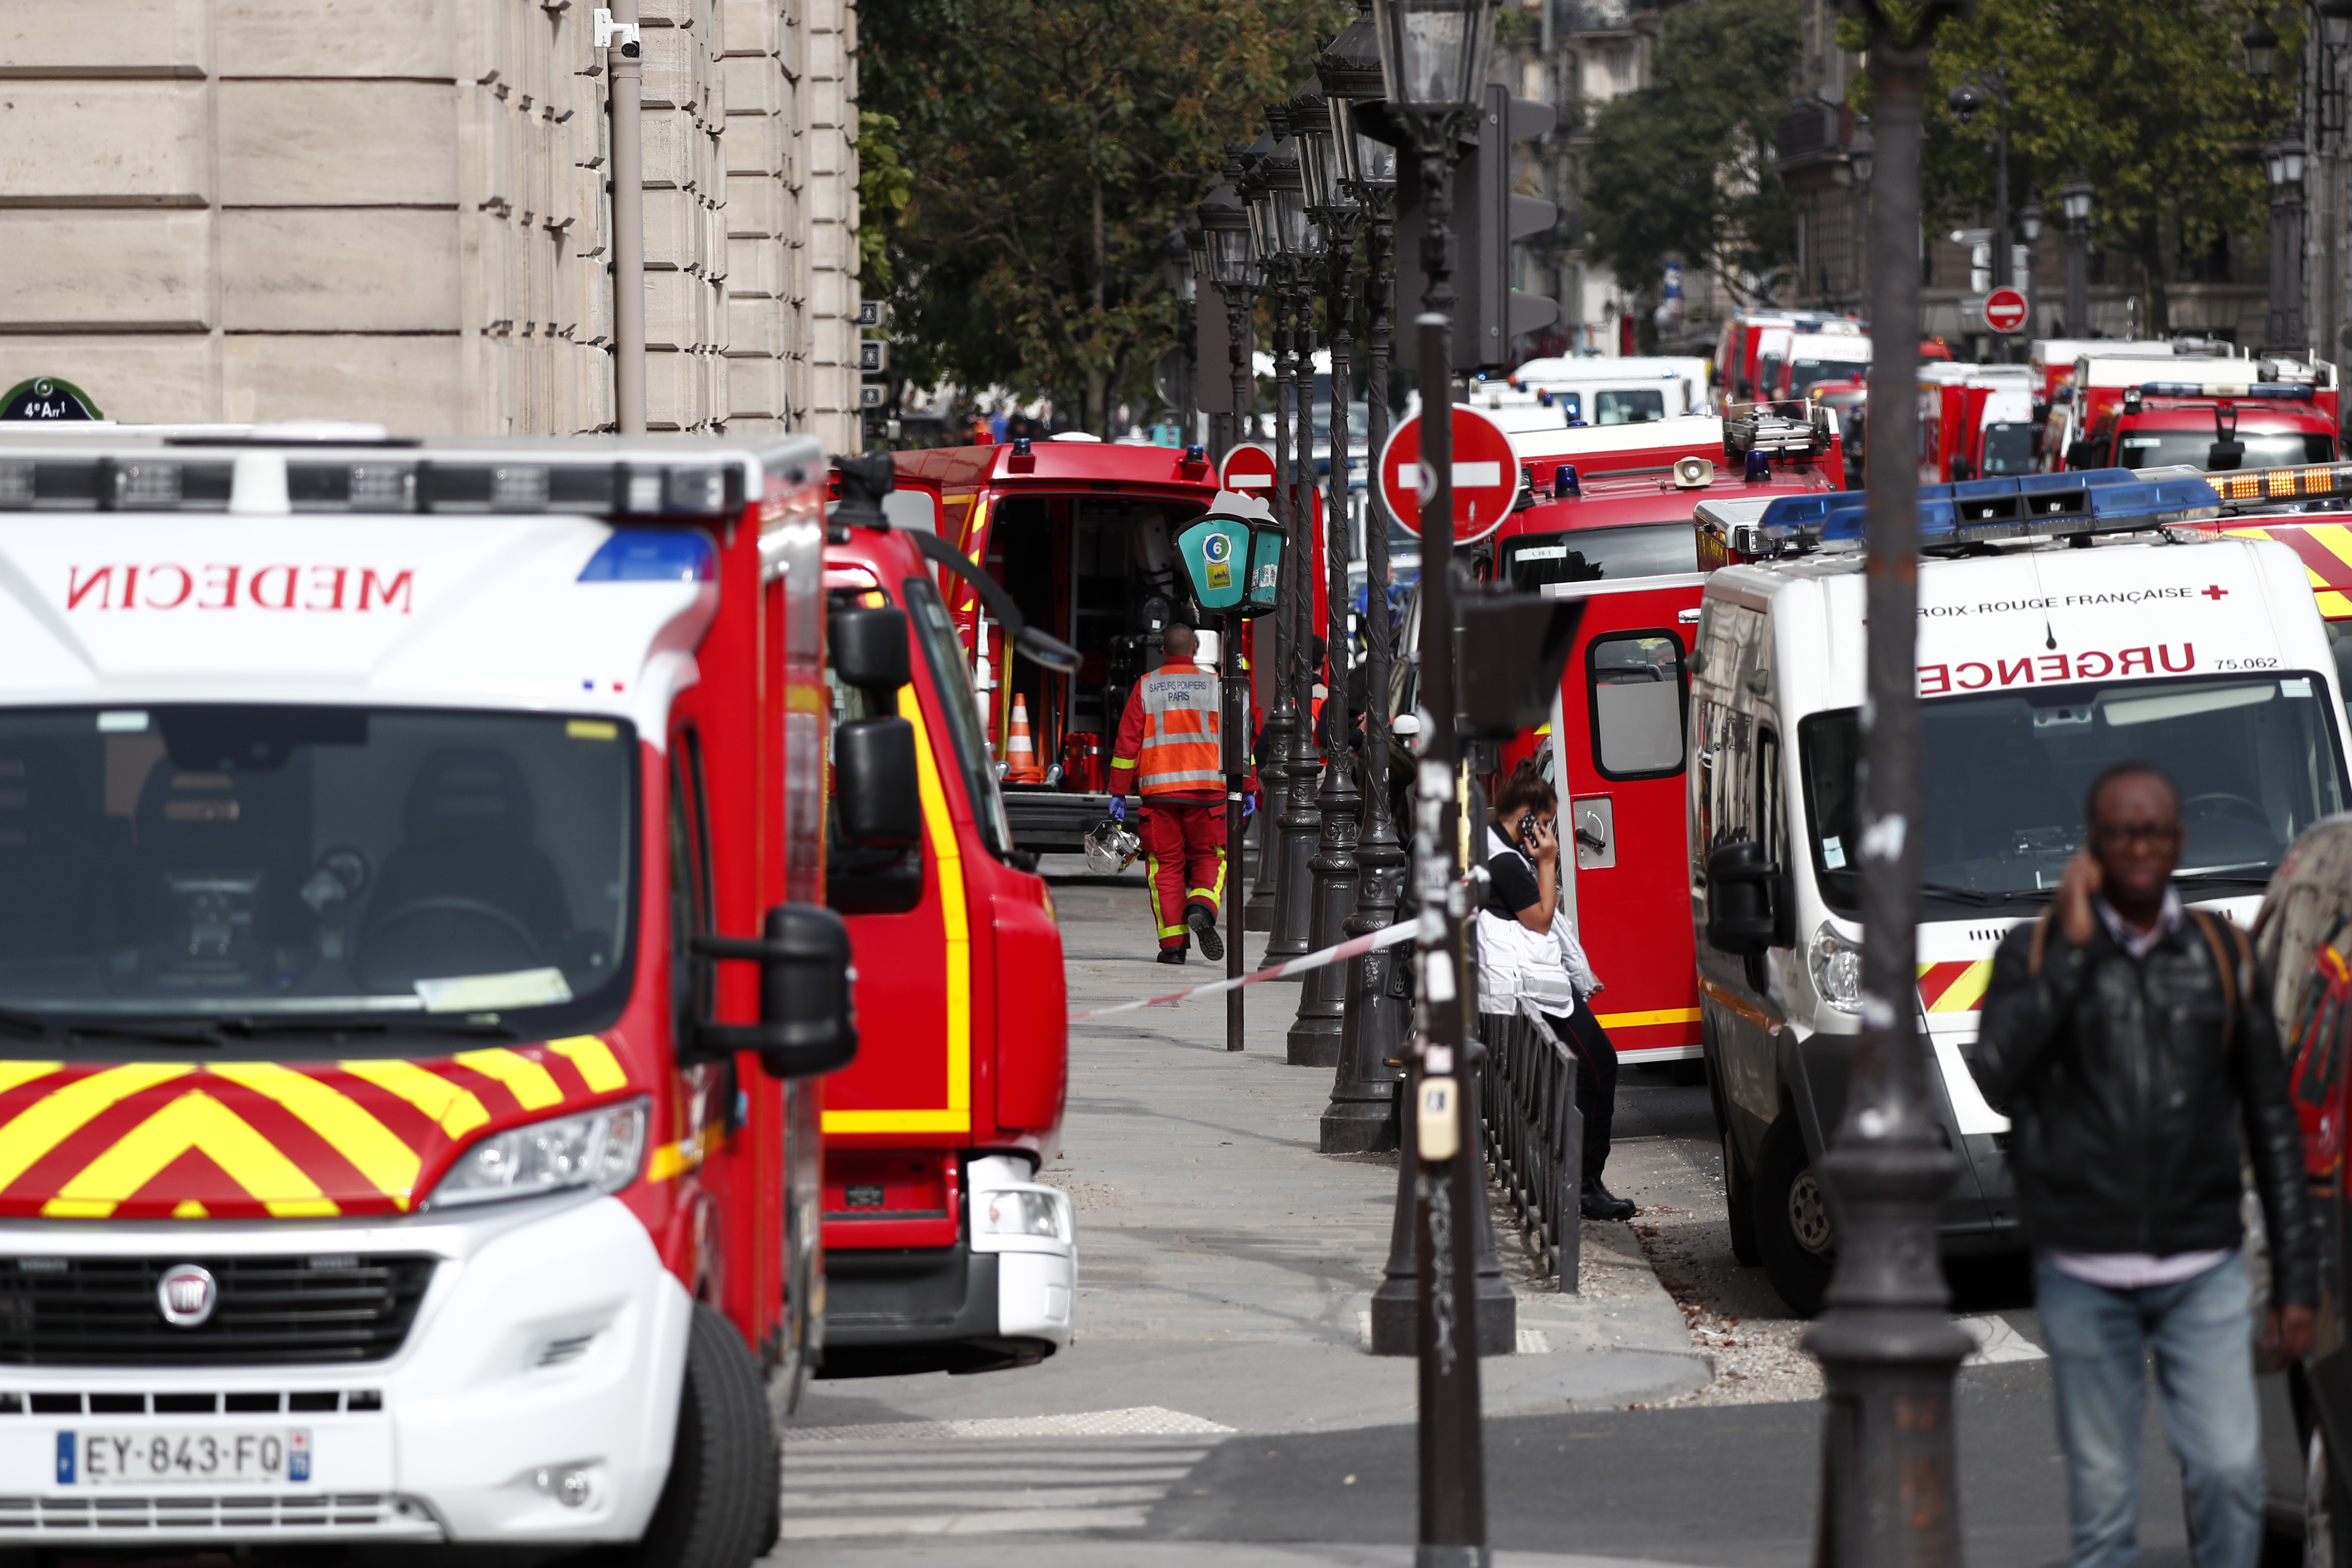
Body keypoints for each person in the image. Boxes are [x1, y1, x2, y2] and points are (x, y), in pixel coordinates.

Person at [1968, 762, 2315, 1568]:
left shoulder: (2223, 955)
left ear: (2178, 841)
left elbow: (2272, 1122)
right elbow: (1996, 1076)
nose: (2137, 846)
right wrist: (2073, 958)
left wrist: (2297, 1280)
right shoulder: (2038, 949)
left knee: (2230, 1474)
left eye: (2152, 830)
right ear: (2092, 845)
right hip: (2083, 1268)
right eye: (2120, 832)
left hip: (2204, 1263)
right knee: (2103, 1501)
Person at [1473, 759, 1635, 1222]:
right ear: (1525, 816)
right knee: (1599, 1066)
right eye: (1543, 823)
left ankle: (1573, 1178)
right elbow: (1541, 920)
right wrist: (1548, 860)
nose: (1546, 832)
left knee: (1580, 1073)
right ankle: (1584, 1184)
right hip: (1531, 988)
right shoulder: (1506, 861)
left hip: (1521, 985)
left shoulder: (1491, 846)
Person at [1108, 624, 1247, 965]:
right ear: (1196, 647)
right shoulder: (1216, 686)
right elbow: (1238, 739)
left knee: (1164, 867)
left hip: (1159, 795)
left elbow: (1128, 743)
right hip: (1208, 794)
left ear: (1163, 651)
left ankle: (1173, 948)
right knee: (1212, 857)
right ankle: (1201, 905)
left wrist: (1118, 792)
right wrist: (1249, 786)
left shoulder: (1147, 685)